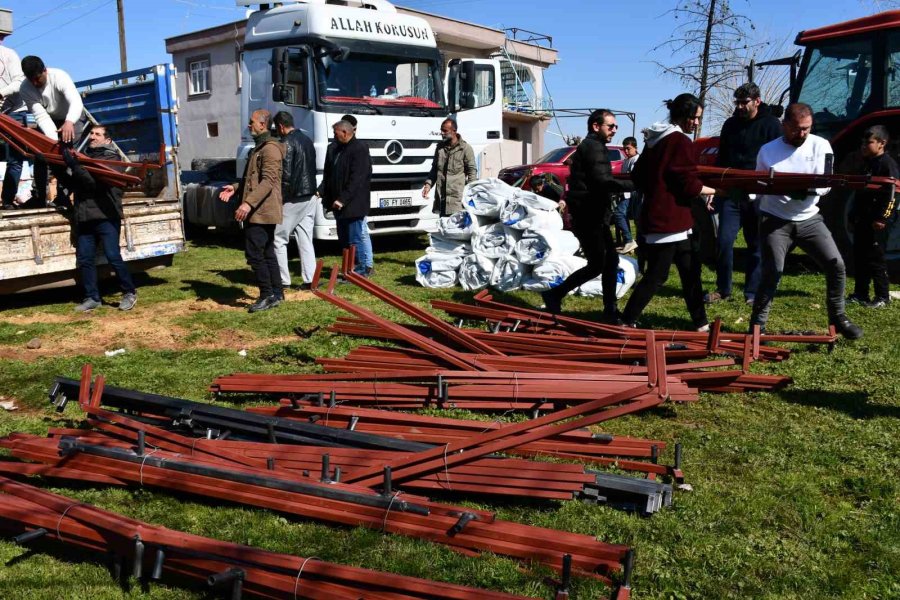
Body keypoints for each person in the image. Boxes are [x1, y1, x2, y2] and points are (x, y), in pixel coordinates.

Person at [749, 103, 862, 339]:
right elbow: (757, 185)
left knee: (836, 264)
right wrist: (742, 193)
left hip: (810, 218)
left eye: (807, 129)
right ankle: (758, 326)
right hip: (775, 220)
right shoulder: (767, 151)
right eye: (797, 129)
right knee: (773, 271)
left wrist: (810, 189)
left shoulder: (821, 145)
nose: (802, 134)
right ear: (784, 126)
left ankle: (838, 317)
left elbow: (827, 183)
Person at [619, 94, 720, 331]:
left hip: (665, 217)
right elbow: (686, 183)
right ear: (683, 116)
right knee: (657, 275)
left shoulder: (655, 140)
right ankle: (626, 320)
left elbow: (639, 176)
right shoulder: (679, 141)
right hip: (669, 220)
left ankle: (701, 323)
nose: (696, 123)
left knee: (690, 272)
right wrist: (711, 189)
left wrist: (658, 187)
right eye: (694, 118)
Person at [540, 109, 634, 319]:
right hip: (589, 214)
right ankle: (560, 295)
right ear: (595, 126)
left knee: (605, 263)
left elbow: (599, 178)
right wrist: (636, 184)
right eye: (611, 126)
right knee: (602, 263)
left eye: (616, 126)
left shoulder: (594, 146)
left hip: (591, 213)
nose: (614, 130)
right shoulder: (593, 147)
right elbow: (602, 181)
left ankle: (560, 295)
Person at [705, 83, 782, 306]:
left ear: (757, 101)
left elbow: (777, 159)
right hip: (731, 193)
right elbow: (722, 159)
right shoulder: (730, 125)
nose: (739, 107)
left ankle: (752, 292)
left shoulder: (771, 125)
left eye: (743, 102)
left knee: (756, 244)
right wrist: (714, 189)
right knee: (724, 241)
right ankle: (724, 289)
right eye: (736, 102)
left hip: (758, 193)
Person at [57, 126, 137, 312]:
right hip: (85, 216)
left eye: (97, 134)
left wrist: (75, 165)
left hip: (106, 216)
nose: (92, 137)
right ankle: (92, 297)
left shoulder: (111, 159)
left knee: (112, 256)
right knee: (85, 259)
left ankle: (129, 292)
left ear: (107, 140)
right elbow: (74, 183)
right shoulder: (83, 157)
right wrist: (58, 167)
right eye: (91, 133)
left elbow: (91, 183)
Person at [219, 109, 286, 313]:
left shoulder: (270, 149)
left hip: (262, 210)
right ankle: (277, 293)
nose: (249, 125)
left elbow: (268, 181)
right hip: (259, 208)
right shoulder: (260, 147)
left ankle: (267, 295)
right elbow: (252, 179)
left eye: (252, 122)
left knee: (255, 253)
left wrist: (247, 204)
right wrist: (235, 188)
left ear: (263, 124)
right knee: (267, 252)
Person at [19, 56, 87, 206]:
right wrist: (53, 143)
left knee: (67, 154)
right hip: (50, 120)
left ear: (45, 70)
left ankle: (63, 195)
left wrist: (69, 121)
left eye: (38, 78)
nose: (35, 83)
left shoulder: (60, 76)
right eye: (31, 80)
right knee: (41, 155)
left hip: (72, 116)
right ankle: (39, 196)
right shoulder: (25, 88)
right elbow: (41, 116)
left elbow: (76, 102)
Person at [848, 125, 898, 308]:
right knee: (860, 256)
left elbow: (893, 194)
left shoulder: (887, 165)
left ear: (881, 143)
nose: (863, 146)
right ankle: (861, 293)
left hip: (878, 222)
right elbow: (860, 193)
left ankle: (882, 296)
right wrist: (853, 215)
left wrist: (883, 218)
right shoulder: (866, 164)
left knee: (876, 258)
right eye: (862, 142)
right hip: (863, 218)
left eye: (868, 142)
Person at [318, 119, 374, 276]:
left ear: (345, 132)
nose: (334, 137)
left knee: (355, 238)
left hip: (353, 204)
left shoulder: (359, 148)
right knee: (344, 240)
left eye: (336, 134)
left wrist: (342, 199)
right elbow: (331, 174)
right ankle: (349, 268)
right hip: (339, 205)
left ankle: (363, 268)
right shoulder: (338, 149)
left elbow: (357, 178)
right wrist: (323, 191)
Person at [272, 110, 317, 293]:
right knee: (305, 238)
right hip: (310, 195)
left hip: (294, 197)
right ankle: (310, 279)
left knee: (278, 238)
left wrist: (279, 198)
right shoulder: (307, 140)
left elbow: (287, 175)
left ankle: (283, 280)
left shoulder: (285, 143)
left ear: (281, 126)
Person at [422, 117, 477, 216]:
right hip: (441, 198)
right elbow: (434, 168)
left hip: (457, 200)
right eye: (441, 130)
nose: (442, 133)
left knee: (456, 229)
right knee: (443, 227)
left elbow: (472, 171)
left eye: (445, 131)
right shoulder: (440, 148)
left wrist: (470, 193)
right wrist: (428, 185)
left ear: (454, 131)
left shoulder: (465, 149)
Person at [0, 30, 27, 210]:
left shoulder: (9, 55)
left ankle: (8, 200)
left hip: (14, 111)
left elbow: (19, 82)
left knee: (15, 158)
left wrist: (1, 93)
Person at [614, 136, 640, 254]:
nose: (626, 151)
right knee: (622, 216)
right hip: (625, 193)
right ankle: (628, 242)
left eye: (628, 148)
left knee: (619, 214)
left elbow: (632, 179)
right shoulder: (626, 161)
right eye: (624, 149)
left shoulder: (636, 160)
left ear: (635, 148)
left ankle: (629, 241)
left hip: (632, 193)